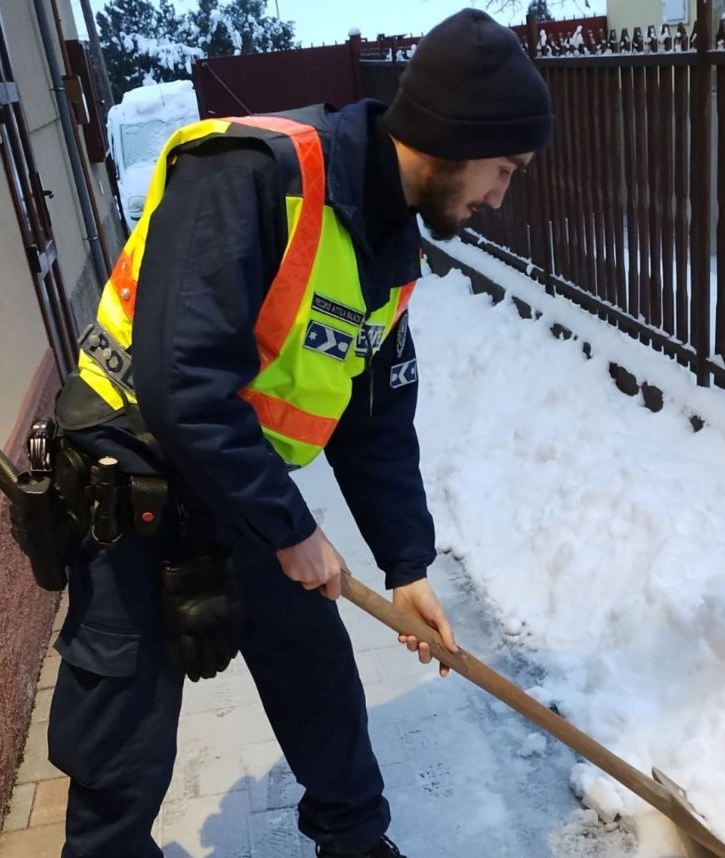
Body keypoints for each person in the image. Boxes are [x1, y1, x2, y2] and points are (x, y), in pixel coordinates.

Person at [47, 8, 552, 858]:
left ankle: (356, 843)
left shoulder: (388, 244)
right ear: (453, 139)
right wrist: (293, 530)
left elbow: (376, 421)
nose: (501, 195)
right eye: (504, 169)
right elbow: (183, 385)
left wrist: (407, 567)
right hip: (130, 464)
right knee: (125, 726)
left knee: (316, 672)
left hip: (234, 477)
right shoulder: (249, 179)